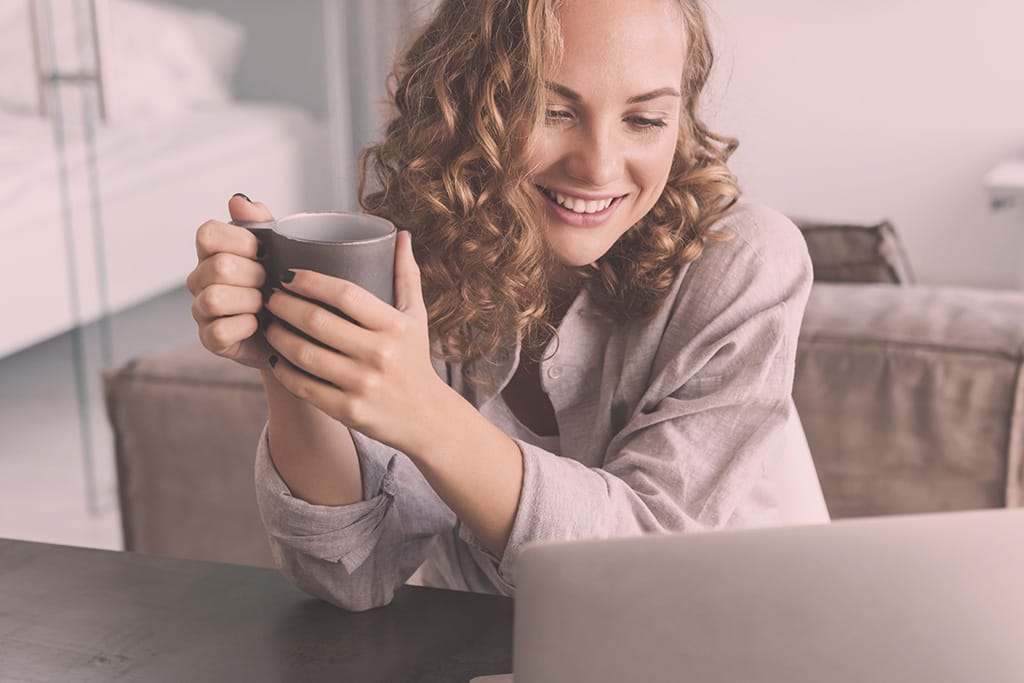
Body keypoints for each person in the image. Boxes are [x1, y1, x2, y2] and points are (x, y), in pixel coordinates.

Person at [187, 0, 829, 611]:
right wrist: (294, 360)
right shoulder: (414, 263)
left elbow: (645, 569)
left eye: (645, 119)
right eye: (553, 110)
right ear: (465, 102)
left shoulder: (742, 261)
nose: (600, 166)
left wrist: (424, 412)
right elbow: (350, 575)